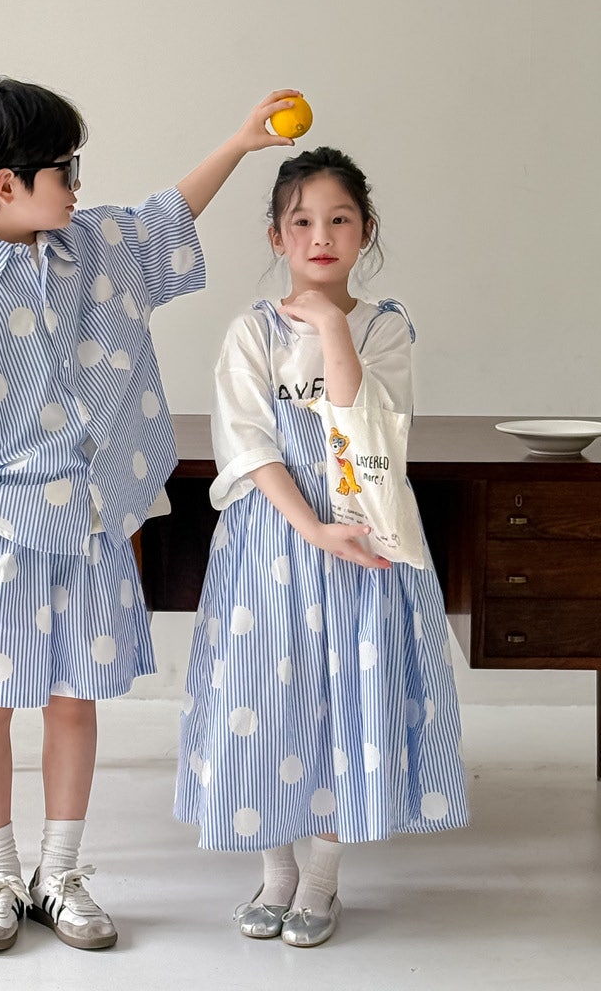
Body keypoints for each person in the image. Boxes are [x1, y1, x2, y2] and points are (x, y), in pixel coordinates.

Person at [0, 78, 298, 953]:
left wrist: (240, 141)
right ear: (6, 184)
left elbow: (167, 216)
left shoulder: (94, 246)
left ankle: (59, 873)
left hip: (94, 525)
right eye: (63, 169)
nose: (77, 184)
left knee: (75, 700)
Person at [174, 146, 469, 948]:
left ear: (365, 230)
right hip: (274, 542)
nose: (320, 236)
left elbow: (364, 429)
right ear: (276, 236)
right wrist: (310, 529)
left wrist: (334, 326)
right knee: (267, 702)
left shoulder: (384, 328)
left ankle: (323, 881)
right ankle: (276, 873)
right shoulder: (252, 331)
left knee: (346, 701)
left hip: (365, 537)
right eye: (301, 222)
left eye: (340, 219)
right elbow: (247, 444)